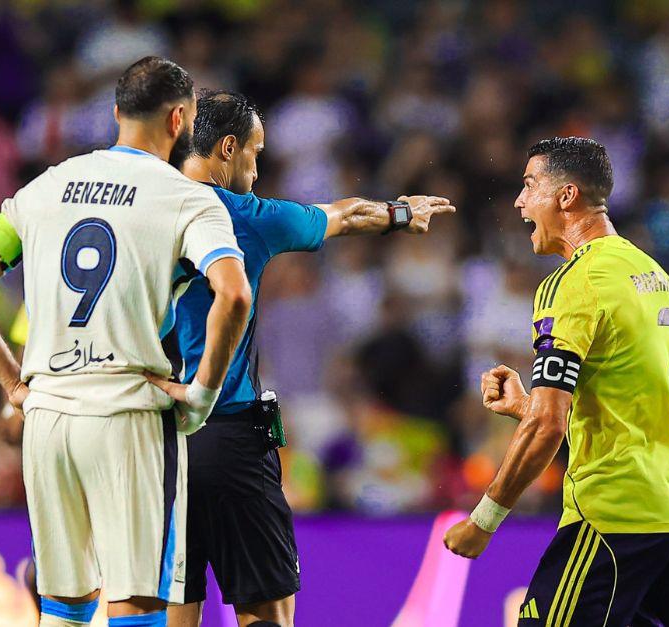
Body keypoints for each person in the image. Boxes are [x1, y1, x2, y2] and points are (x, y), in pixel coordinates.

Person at [146, 90, 456, 627]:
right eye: (255, 153)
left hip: (150, 440)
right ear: (227, 148)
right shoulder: (242, 215)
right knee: (266, 609)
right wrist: (401, 213)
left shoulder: (140, 210)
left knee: (173, 604)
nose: (256, 169)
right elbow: (343, 216)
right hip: (226, 432)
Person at [0, 57, 253, 627]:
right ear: (179, 120)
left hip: (48, 418)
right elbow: (234, 293)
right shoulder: (188, 199)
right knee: (137, 603)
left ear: (118, 113)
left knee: (63, 606)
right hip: (128, 412)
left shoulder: (46, 186)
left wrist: (11, 382)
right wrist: (201, 394)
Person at [443, 137, 669, 627]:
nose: (519, 202)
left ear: (566, 196)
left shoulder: (575, 281)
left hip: (614, 512)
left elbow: (548, 425)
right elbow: (628, 403)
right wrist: (530, 405)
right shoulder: (651, 273)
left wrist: (483, 521)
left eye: (529, 186)